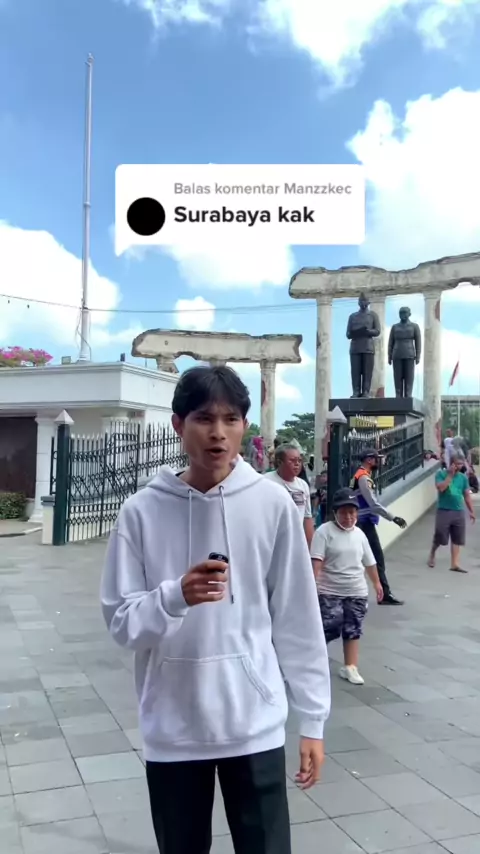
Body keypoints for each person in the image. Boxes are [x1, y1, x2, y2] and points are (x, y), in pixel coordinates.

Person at [101, 365, 331, 854]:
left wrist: (313, 719)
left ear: (245, 426)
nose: (218, 433)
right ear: (178, 424)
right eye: (204, 418)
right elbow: (121, 623)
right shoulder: (140, 511)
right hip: (173, 729)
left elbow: (297, 618)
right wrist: (175, 596)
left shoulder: (272, 504)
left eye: (230, 419)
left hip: (254, 726)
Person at [311, 488, 383, 685]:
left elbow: (369, 562)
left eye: (352, 512)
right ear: (335, 512)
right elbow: (316, 561)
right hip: (329, 590)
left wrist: (377, 583)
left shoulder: (360, 534)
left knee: (353, 628)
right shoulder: (324, 532)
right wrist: (311, 586)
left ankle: (350, 666)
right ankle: (314, 663)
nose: (349, 517)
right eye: (343, 512)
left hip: (356, 590)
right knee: (328, 627)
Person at [350, 448, 406, 606]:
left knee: (366, 558)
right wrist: (393, 518)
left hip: (362, 522)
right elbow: (373, 504)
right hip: (363, 522)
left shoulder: (362, 475)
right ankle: (383, 594)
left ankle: (382, 594)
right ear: (369, 460)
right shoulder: (363, 477)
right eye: (376, 458)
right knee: (375, 558)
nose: (379, 461)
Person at [428, 452, 476, 573]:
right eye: (457, 464)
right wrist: (450, 475)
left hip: (458, 511)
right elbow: (441, 488)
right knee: (440, 536)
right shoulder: (440, 474)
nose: (460, 466)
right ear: (451, 464)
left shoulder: (463, 478)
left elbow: (466, 495)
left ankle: (454, 564)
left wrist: (471, 511)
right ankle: (432, 553)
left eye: (461, 464)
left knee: (457, 538)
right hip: (444, 510)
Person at [264, 443, 314, 547]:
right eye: (292, 460)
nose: (297, 464)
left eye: (299, 461)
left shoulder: (303, 485)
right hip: (271, 541)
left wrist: (310, 547)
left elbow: (307, 517)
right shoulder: (265, 481)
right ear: (279, 462)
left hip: (295, 542)